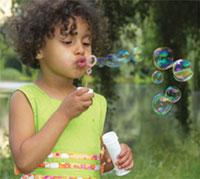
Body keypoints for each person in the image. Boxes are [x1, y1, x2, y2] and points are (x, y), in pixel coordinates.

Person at [8, 0, 134, 178]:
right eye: (67, 41)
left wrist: (115, 158)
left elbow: (90, 163)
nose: (80, 50)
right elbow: (24, 161)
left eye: (86, 42)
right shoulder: (25, 99)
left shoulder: (95, 103)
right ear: (38, 49)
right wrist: (64, 114)